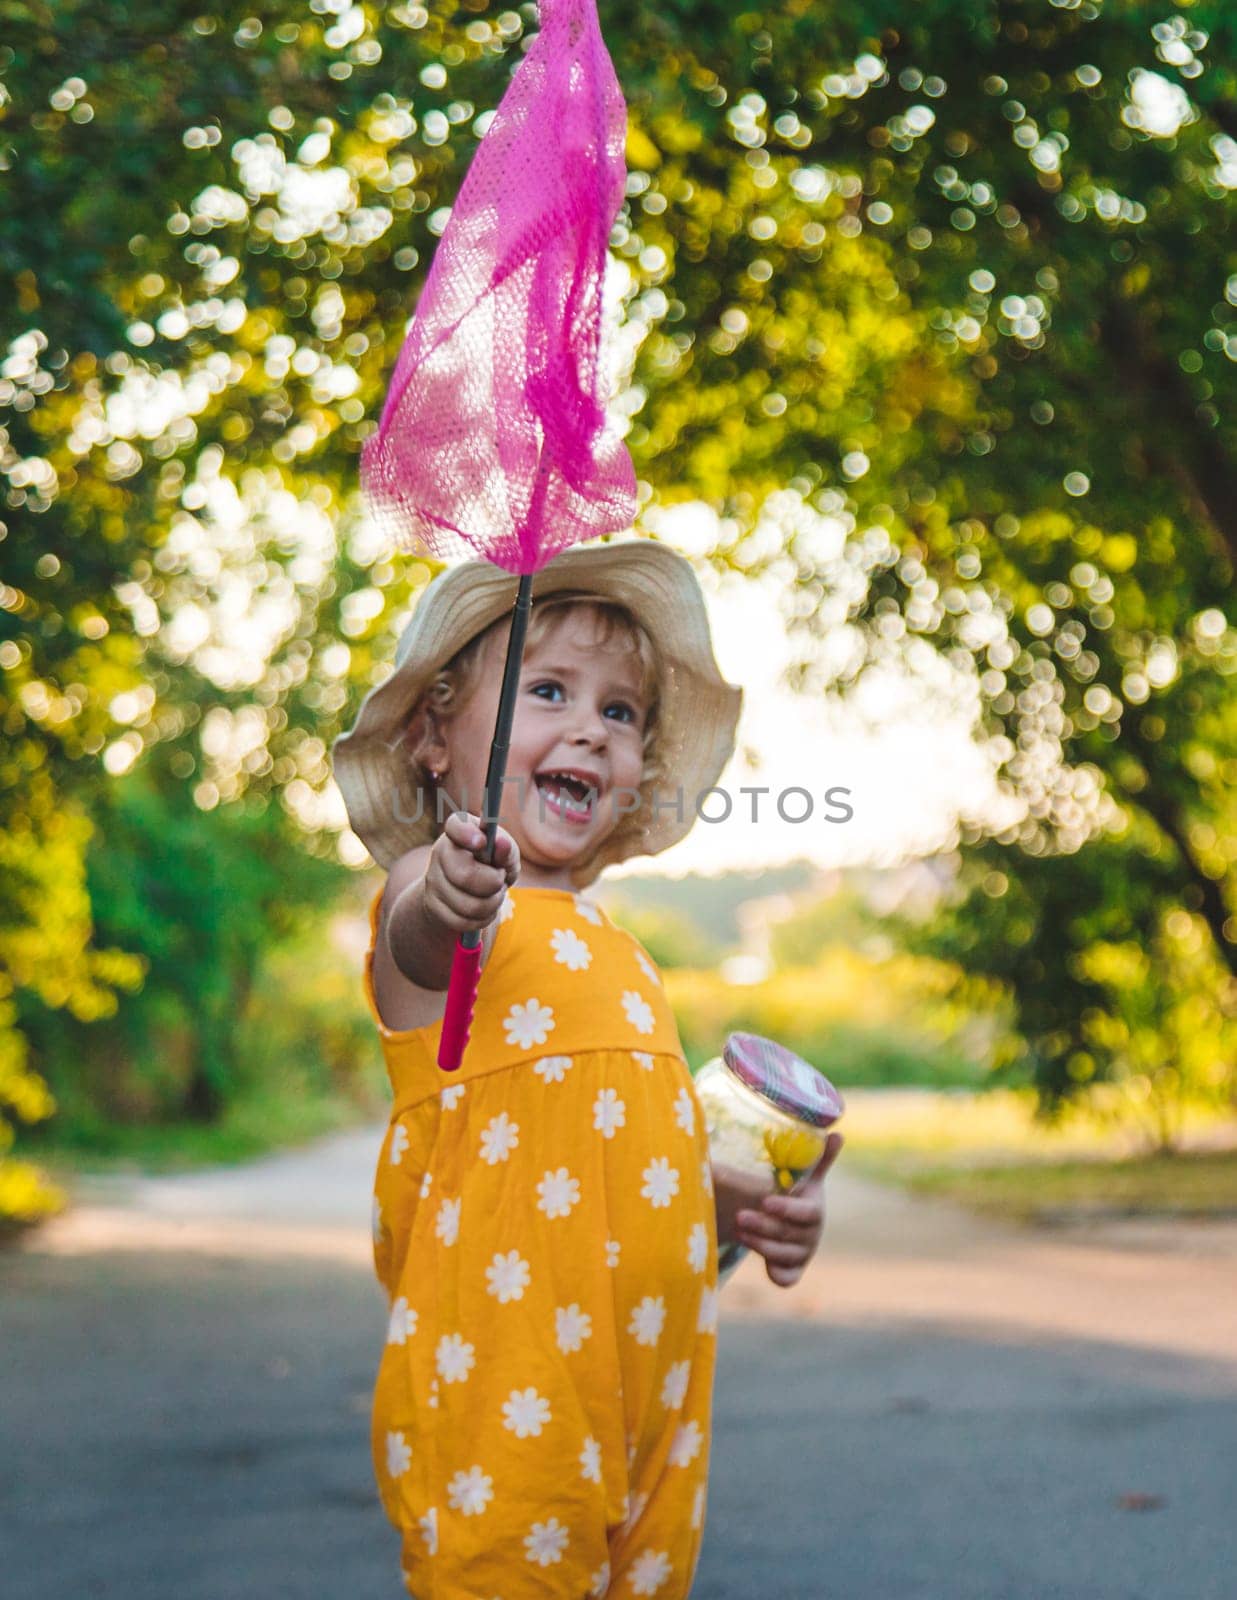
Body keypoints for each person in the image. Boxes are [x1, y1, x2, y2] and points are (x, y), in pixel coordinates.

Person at [331, 538, 844, 1600]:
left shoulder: (621, 951)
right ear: (434, 737)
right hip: (503, 1389)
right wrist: (455, 892)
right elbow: (419, 939)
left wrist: (744, 1212)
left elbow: (635, 1180)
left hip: (651, 1389)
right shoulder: (441, 890)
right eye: (548, 689)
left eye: (620, 713)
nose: (588, 728)